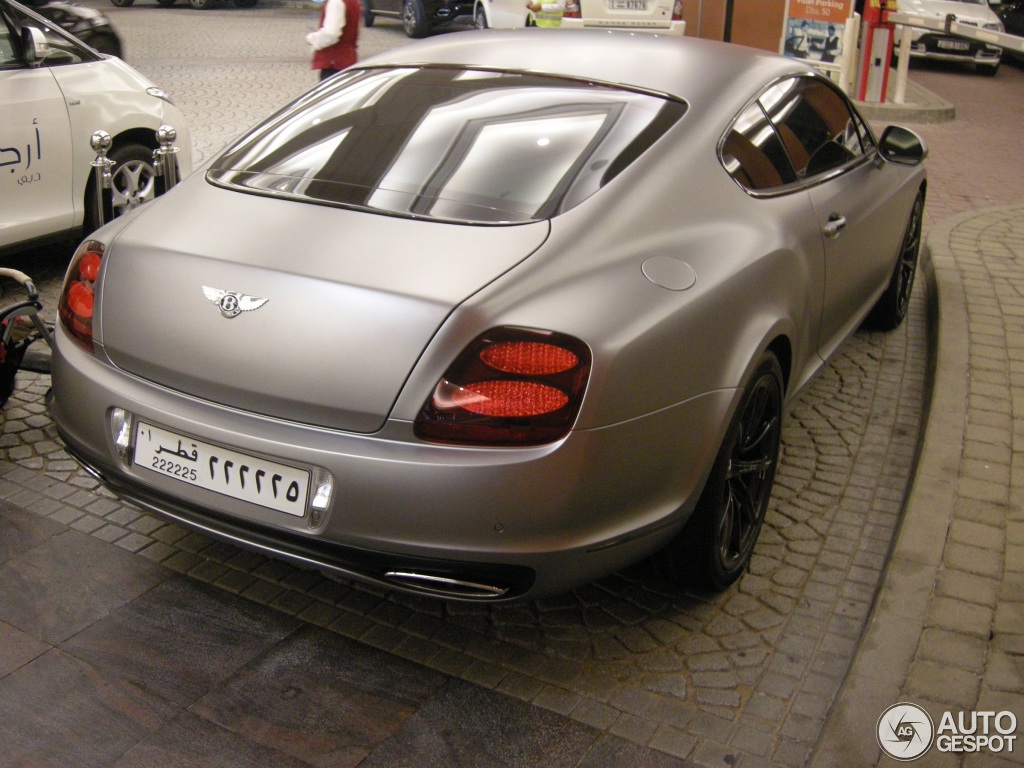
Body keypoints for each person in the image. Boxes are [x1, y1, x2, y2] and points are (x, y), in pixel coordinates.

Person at [306, 0, 361, 82]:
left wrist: (311, 38)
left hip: (334, 61)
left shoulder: (335, 2)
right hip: (347, 59)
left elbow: (331, 34)